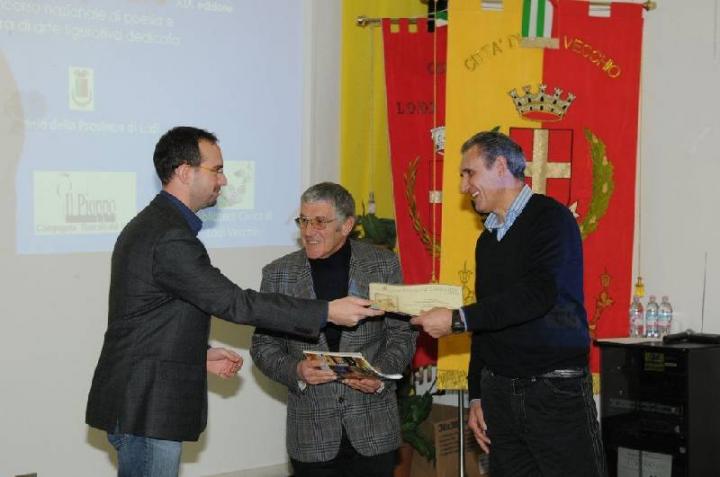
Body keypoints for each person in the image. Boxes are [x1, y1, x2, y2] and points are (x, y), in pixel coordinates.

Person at [85, 127, 382, 477]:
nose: (224, 180)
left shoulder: (157, 225)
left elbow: (151, 317)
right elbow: (235, 303)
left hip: (140, 400)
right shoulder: (169, 236)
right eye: (217, 170)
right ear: (185, 171)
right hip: (146, 405)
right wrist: (327, 310)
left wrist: (196, 354)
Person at [411, 131, 606, 477]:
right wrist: (476, 394)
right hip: (498, 392)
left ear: (500, 166)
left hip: (552, 391)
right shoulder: (487, 241)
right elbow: (489, 319)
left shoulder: (551, 219)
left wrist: (458, 319)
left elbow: (537, 295)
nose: (463, 186)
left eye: (469, 173)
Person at [250, 182, 416, 477]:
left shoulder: (382, 265)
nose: (308, 231)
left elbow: (402, 335)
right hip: (312, 434)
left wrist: (378, 375)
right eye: (303, 220)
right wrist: (297, 370)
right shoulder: (279, 274)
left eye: (319, 221)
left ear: (347, 225)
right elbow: (263, 346)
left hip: (373, 427)